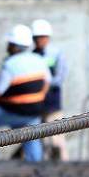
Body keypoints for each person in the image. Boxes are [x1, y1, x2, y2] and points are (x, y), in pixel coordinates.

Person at [0, 24, 50, 161]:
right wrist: (38, 98)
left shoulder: (10, 64)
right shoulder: (39, 60)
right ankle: (36, 164)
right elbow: (47, 82)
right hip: (34, 111)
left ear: (15, 46)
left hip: (15, 111)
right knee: (32, 134)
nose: (7, 47)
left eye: (9, 44)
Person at [31, 19, 68, 160]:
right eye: (36, 38)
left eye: (41, 37)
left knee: (57, 140)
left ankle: (64, 168)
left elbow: (60, 77)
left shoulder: (56, 53)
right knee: (44, 141)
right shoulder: (32, 55)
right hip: (37, 103)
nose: (39, 40)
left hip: (52, 102)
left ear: (47, 37)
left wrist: (43, 84)